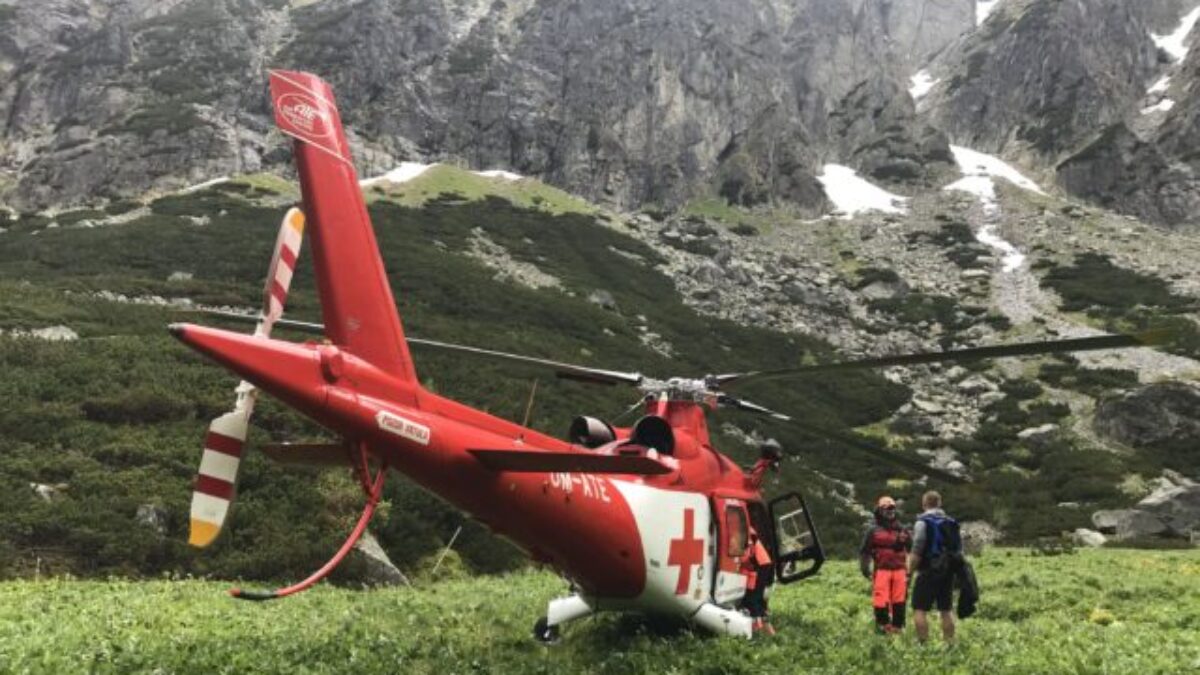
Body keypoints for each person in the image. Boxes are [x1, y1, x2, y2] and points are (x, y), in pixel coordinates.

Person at [908, 490, 962, 643]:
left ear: (924, 504)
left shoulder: (922, 522)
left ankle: (923, 643)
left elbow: (917, 548)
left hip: (928, 570)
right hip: (948, 571)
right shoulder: (951, 522)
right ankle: (950, 643)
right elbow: (958, 550)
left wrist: (910, 571)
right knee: (946, 609)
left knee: (920, 609)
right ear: (940, 503)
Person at [859, 495, 911, 634]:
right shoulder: (873, 530)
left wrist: (910, 571)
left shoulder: (902, 529)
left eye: (892, 508)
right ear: (880, 510)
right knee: (880, 600)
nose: (890, 511)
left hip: (900, 570)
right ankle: (883, 626)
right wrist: (865, 568)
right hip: (882, 569)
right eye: (887, 509)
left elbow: (911, 550)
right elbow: (865, 551)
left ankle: (898, 628)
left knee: (899, 600)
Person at [740, 529, 776, 635]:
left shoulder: (744, 528)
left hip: (760, 566)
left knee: (752, 599)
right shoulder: (746, 527)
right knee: (758, 599)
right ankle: (767, 631)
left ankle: (760, 630)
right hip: (762, 565)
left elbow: (746, 552)